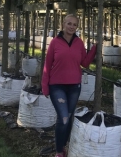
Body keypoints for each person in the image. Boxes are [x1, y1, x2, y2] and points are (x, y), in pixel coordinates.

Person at [41, 14, 97, 157]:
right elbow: (47, 65)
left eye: (75, 25)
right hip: (57, 85)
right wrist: (45, 86)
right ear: (63, 24)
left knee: (69, 116)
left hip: (74, 86)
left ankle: (63, 144)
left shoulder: (79, 43)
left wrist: (94, 49)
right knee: (64, 118)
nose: (72, 27)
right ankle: (59, 151)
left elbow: (84, 63)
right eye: (69, 24)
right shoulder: (54, 42)